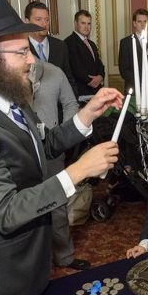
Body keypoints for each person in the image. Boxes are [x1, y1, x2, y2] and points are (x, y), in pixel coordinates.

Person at [0, 0, 121, 295]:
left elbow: (46, 143)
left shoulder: (16, 104)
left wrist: (87, 113)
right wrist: (78, 170)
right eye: (22, 52)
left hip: (33, 268)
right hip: (6, 280)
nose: (32, 60)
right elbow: (6, 211)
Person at [29, 59, 91, 271]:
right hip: (21, 152)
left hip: (52, 149)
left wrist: (65, 136)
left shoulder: (53, 72)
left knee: (58, 205)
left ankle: (64, 256)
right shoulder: (7, 77)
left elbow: (70, 103)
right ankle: (36, 265)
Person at [24, 1, 77, 97]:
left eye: (47, 19)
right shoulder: (20, 49)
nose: (44, 24)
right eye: (38, 19)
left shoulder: (61, 46)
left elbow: (69, 78)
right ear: (27, 22)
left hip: (60, 108)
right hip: (32, 108)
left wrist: (74, 106)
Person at [118, 8, 148, 97]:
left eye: (145, 22)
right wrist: (141, 81)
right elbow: (123, 70)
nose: (143, 25)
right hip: (134, 89)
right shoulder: (125, 43)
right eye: (140, 22)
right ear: (134, 23)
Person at [64, 10, 105, 100]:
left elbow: (100, 64)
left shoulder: (92, 44)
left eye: (89, 23)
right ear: (75, 23)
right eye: (83, 23)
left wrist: (100, 76)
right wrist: (92, 81)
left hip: (96, 91)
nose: (86, 27)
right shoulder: (69, 43)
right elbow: (76, 68)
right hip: (81, 93)